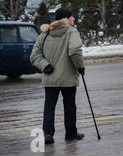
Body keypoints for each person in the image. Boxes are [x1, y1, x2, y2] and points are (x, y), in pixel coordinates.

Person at [30, 8, 86, 144]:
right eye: (72, 17)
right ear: (66, 19)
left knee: (49, 106)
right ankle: (71, 134)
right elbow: (74, 50)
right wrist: (80, 67)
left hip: (50, 78)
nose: (74, 19)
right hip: (68, 78)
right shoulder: (72, 32)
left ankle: (48, 134)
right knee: (70, 106)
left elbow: (34, 56)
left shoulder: (45, 33)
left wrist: (44, 65)